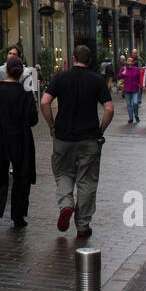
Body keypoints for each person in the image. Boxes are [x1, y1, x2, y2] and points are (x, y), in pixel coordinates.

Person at [40, 45, 114, 240]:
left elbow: (44, 102)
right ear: (89, 61)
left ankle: (66, 204)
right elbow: (109, 108)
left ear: (73, 58)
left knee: (63, 173)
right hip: (89, 137)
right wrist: (101, 129)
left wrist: (52, 125)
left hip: (63, 136)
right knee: (87, 180)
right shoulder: (97, 80)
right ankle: (83, 225)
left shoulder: (60, 77)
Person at [0, 55, 38, 233]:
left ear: (5, 71)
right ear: (21, 72)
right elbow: (33, 119)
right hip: (21, 139)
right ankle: (18, 215)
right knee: (21, 176)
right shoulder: (24, 93)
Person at [119, 54, 143, 123]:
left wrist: (141, 86)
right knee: (129, 104)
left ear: (133, 62)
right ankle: (131, 118)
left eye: (130, 60)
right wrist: (123, 73)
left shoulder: (136, 69)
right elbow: (118, 77)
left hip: (135, 89)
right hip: (127, 90)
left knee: (135, 103)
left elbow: (139, 79)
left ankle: (136, 115)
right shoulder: (124, 69)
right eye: (128, 60)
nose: (129, 61)